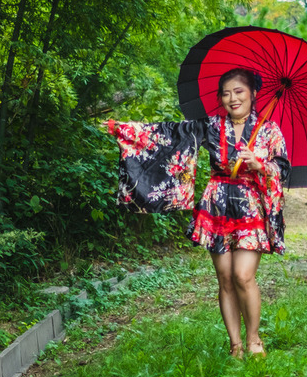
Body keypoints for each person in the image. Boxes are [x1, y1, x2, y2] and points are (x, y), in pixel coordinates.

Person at [106, 68, 290, 358]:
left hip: (250, 204)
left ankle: (254, 340)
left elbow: (282, 169)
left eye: (239, 91)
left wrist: (259, 164)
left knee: (243, 275)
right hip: (217, 203)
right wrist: (125, 130)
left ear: (253, 94)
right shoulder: (212, 126)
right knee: (225, 278)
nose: (232, 98)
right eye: (226, 93)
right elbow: (170, 137)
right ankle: (236, 346)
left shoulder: (269, 130)